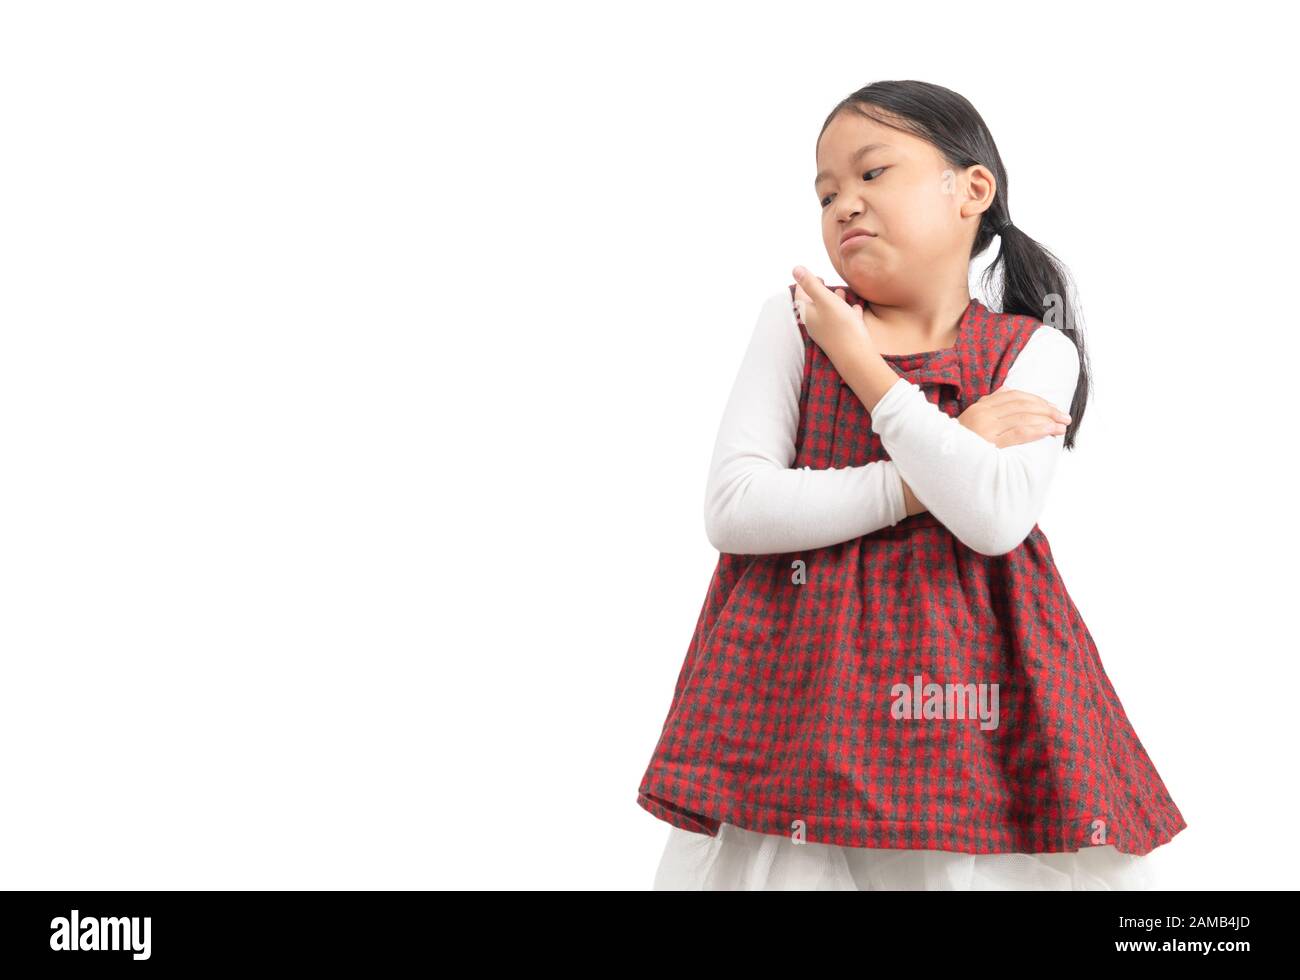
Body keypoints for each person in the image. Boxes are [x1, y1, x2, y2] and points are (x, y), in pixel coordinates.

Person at [635, 79, 1186, 890]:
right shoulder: (795, 321)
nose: (845, 204)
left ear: (972, 190)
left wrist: (862, 367)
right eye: (826, 193)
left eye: (872, 173)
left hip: (972, 696)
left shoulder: (1036, 350)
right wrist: (942, 459)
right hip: (797, 694)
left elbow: (992, 516)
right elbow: (736, 507)